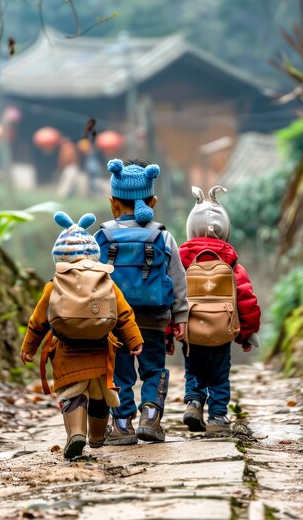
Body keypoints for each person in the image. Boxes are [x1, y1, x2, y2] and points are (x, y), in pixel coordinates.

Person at [20, 211, 143, 459]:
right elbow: (124, 313)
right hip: (99, 351)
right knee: (99, 397)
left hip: (67, 350)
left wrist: (29, 348)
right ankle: (97, 436)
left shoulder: (55, 283)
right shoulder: (104, 279)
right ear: (93, 252)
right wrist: (134, 340)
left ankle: (75, 433)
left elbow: (38, 320)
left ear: (59, 255)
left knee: (72, 393)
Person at [95, 158, 188, 445]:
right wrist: (181, 316)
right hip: (154, 317)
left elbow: (91, 278)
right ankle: (150, 416)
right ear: (154, 201)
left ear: (113, 202)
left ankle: (122, 425)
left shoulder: (102, 236)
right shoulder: (162, 236)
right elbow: (178, 277)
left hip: (114, 321)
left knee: (120, 371)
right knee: (153, 368)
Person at [179, 185, 261, 435]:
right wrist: (246, 332)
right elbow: (246, 299)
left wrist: (173, 327)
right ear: (225, 231)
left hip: (191, 331)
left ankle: (193, 402)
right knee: (219, 375)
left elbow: (173, 295)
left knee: (193, 369)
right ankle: (217, 417)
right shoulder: (231, 261)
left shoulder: (181, 260)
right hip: (222, 332)